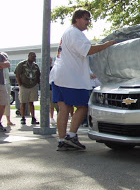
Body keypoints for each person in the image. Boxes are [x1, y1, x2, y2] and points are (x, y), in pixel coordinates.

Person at [50, 8, 116, 151]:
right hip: (71, 78)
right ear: (77, 18)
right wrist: (108, 44)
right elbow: (88, 50)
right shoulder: (75, 33)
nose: (88, 23)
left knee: (64, 109)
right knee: (83, 107)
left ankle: (62, 140)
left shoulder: (67, 32)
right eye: (86, 19)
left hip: (58, 75)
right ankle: (71, 136)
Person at [14, 51, 40, 125]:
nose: (33, 58)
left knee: (31, 102)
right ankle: (22, 118)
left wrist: (38, 83)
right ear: (29, 56)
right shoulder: (22, 64)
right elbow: (17, 74)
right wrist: (20, 84)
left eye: (35, 56)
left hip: (33, 86)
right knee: (23, 102)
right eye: (32, 56)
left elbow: (38, 76)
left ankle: (33, 118)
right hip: (24, 86)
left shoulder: (35, 66)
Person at [0, 52, 11, 132]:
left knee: (3, 104)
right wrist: (1, 65)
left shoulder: (1, 55)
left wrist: (2, 64)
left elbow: (7, 64)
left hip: (1, 84)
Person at [49, 58, 58, 126]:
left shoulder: (54, 68)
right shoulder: (44, 70)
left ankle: (59, 117)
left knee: (58, 105)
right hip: (49, 89)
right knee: (51, 105)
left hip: (55, 88)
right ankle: (51, 117)